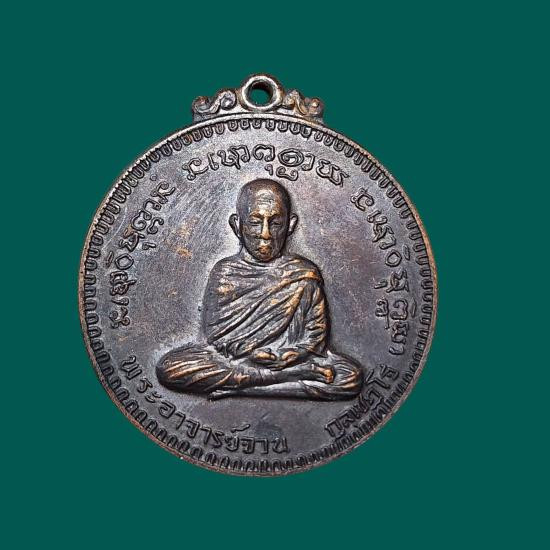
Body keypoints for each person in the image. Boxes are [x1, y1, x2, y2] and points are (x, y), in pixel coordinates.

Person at [156, 179, 363, 400]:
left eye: (276, 223)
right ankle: (289, 377)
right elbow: (216, 338)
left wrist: (290, 354)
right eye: (255, 222)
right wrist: (251, 354)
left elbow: (315, 339)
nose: (265, 233)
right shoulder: (225, 272)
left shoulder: (304, 273)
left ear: (290, 225)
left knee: (351, 377)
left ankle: (250, 387)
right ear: (237, 225)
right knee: (169, 368)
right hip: (237, 361)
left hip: (287, 361)